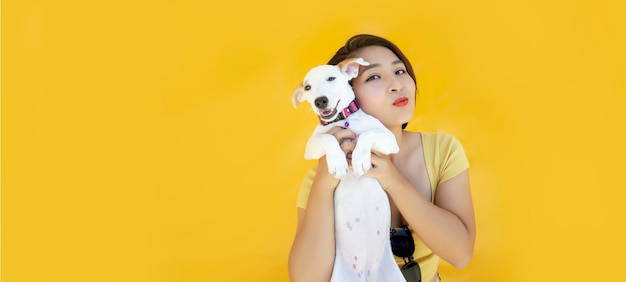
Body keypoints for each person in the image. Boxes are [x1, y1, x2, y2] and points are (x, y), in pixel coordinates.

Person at [288, 34, 475, 282]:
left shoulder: (442, 150)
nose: (396, 84)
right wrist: (325, 181)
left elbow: (461, 254)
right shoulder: (320, 177)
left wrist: (393, 180)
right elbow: (306, 279)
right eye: (374, 76)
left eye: (400, 71)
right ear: (346, 91)